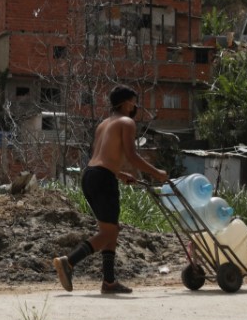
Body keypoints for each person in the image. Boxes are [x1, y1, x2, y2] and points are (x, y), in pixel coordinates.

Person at [53, 85, 168, 294]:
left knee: (110, 229)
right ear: (125, 103)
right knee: (109, 232)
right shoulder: (127, 122)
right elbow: (132, 156)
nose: (135, 106)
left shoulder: (103, 124)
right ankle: (68, 262)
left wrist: (120, 174)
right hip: (103, 179)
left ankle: (109, 281)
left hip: (90, 175)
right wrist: (156, 172)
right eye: (133, 101)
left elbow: (102, 156)